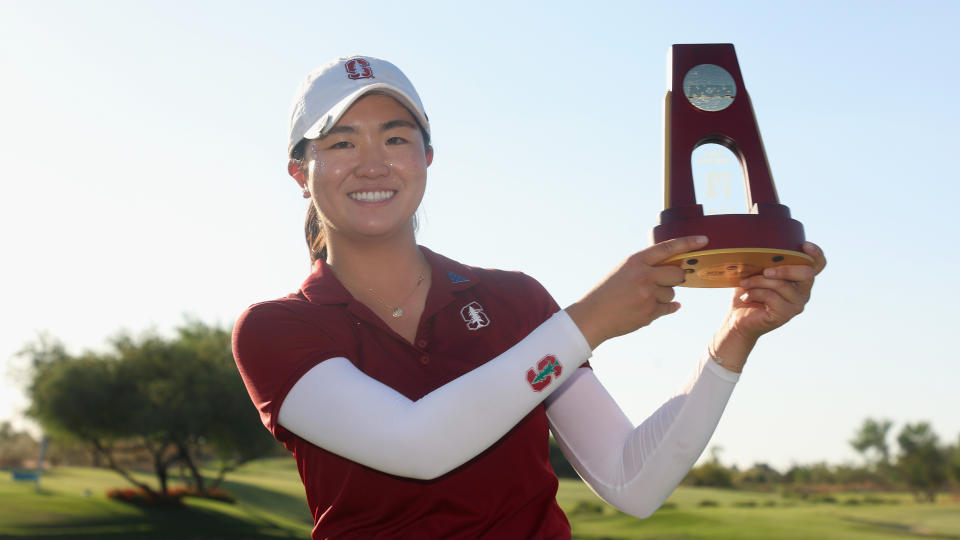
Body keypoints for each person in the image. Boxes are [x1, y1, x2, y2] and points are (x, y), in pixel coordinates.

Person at [232, 55, 826, 540]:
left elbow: (632, 482)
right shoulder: (276, 330)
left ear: (426, 158)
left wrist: (733, 339)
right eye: (340, 144)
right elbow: (416, 445)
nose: (371, 164)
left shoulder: (515, 301)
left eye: (395, 137)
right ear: (299, 173)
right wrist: (587, 323)